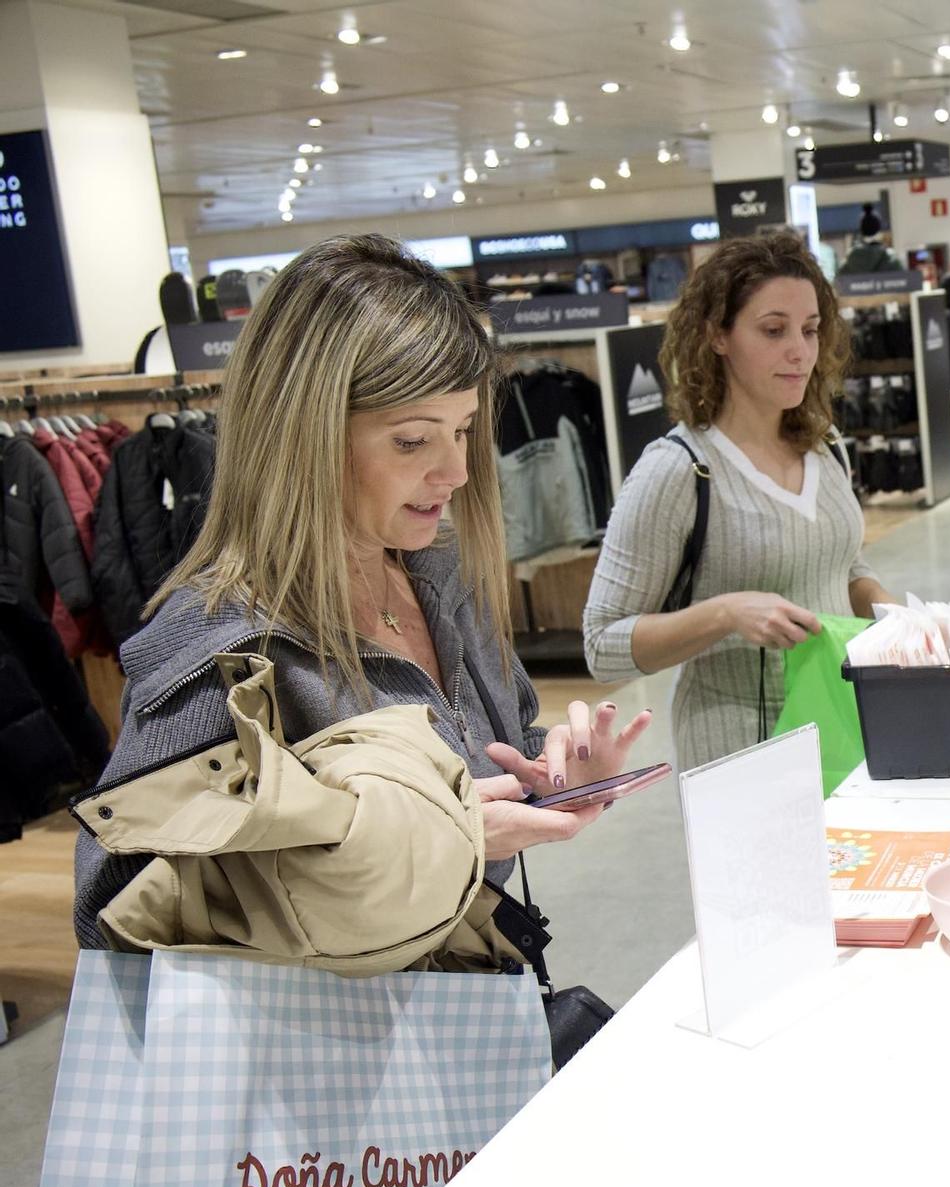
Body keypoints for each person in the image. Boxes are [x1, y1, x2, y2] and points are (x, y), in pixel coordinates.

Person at [74, 234, 649, 948]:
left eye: (464, 430)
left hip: (465, 1013)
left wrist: (552, 771)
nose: (457, 471)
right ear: (303, 437)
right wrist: (436, 836)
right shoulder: (220, 648)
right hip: (320, 1044)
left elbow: (484, 762)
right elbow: (113, 903)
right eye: (412, 441)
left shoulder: (436, 577)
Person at [583, 230, 891, 769]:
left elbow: (841, 565)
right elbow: (602, 645)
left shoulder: (826, 446)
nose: (800, 350)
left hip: (842, 728)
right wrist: (726, 613)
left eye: (811, 330)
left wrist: (893, 615)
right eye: (773, 330)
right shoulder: (679, 468)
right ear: (717, 336)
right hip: (740, 749)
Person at [836, 203, 901, 276]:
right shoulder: (891, 259)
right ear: (879, 231)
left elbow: (840, 281)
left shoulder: (850, 259)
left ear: (861, 231)